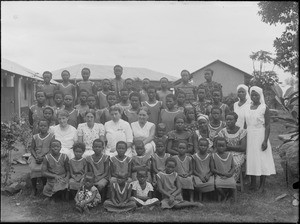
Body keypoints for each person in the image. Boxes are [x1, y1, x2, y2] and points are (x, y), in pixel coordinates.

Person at [244, 86, 276, 193]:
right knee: (252, 159)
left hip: (260, 135)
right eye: (252, 94)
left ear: (260, 95)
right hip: (250, 136)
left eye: (256, 95)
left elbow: (267, 125)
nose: (254, 97)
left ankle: (262, 186)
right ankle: (253, 184)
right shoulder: (248, 107)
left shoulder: (264, 107)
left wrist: (265, 140)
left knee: (262, 159)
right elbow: (245, 124)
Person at [218, 112, 247, 181]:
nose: (228, 121)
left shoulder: (242, 131)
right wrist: (236, 147)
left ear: (236, 120)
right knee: (219, 163)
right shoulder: (222, 132)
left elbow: (243, 148)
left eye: (231, 119)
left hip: (238, 154)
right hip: (225, 154)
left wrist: (228, 147)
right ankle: (220, 181)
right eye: (227, 119)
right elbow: (221, 147)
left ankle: (231, 182)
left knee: (235, 164)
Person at [29, 119, 55, 196]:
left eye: (45, 126)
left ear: (48, 127)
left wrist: (43, 157)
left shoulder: (51, 136)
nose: (43, 127)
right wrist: (36, 156)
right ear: (38, 126)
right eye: (41, 126)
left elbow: (51, 149)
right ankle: (34, 188)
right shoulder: (35, 136)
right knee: (33, 168)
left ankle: (44, 187)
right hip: (35, 156)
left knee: (43, 168)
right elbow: (32, 149)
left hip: (46, 157)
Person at [211, 137, 237, 202]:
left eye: (223, 146)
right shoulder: (213, 156)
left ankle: (230, 197)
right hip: (219, 176)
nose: (221, 148)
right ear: (216, 146)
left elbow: (233, 167)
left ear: (226, 147)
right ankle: (224, 196)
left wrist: (230, 173)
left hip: (228, 175)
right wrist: (221, 174)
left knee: (233, 184)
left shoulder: (230, 155)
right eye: (219, 146)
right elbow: (213, 169)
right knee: (218, 186)